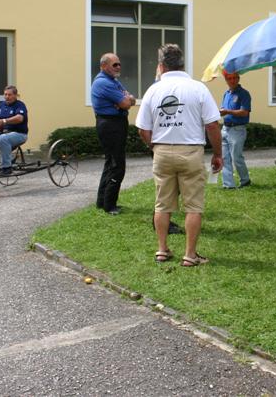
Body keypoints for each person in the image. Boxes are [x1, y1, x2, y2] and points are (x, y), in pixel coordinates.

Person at [136, 44, 223, 266]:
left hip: (162, 150)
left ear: (160, 66)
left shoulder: (153, 90)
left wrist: (154, 147)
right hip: (191, 151)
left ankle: (162, 250)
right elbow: (213, 125)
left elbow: (142, 129)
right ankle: (190, 255)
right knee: (193, 206)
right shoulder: (197, 88)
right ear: (182, 64)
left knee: (162, 204)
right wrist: (218, 154)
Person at [91, 53, 136, 215]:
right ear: (104, 66)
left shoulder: (113, 81)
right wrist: (124, 101)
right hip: (110, 124)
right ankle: (109, 205)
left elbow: (131, 99)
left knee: (110, 163)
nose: (118, 67)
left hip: (114, 123)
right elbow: (126, 102)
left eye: (119, 64)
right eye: (114, 65)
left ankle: (102, 201)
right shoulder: (104, 83)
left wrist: (126, 100)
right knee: (117, 165)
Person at [220, 71, 252, 189]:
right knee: (225, 157)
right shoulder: (226, 93)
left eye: (234, 78)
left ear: (238, 79)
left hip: (237, 129)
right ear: (226, 80)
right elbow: (224, 109)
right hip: (225, 128)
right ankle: (228, 184)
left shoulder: (244, 94)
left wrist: (227, 111)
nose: (232, 80)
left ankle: (245, 180)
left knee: (236, 157)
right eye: (229, 78)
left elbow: (244, 112)